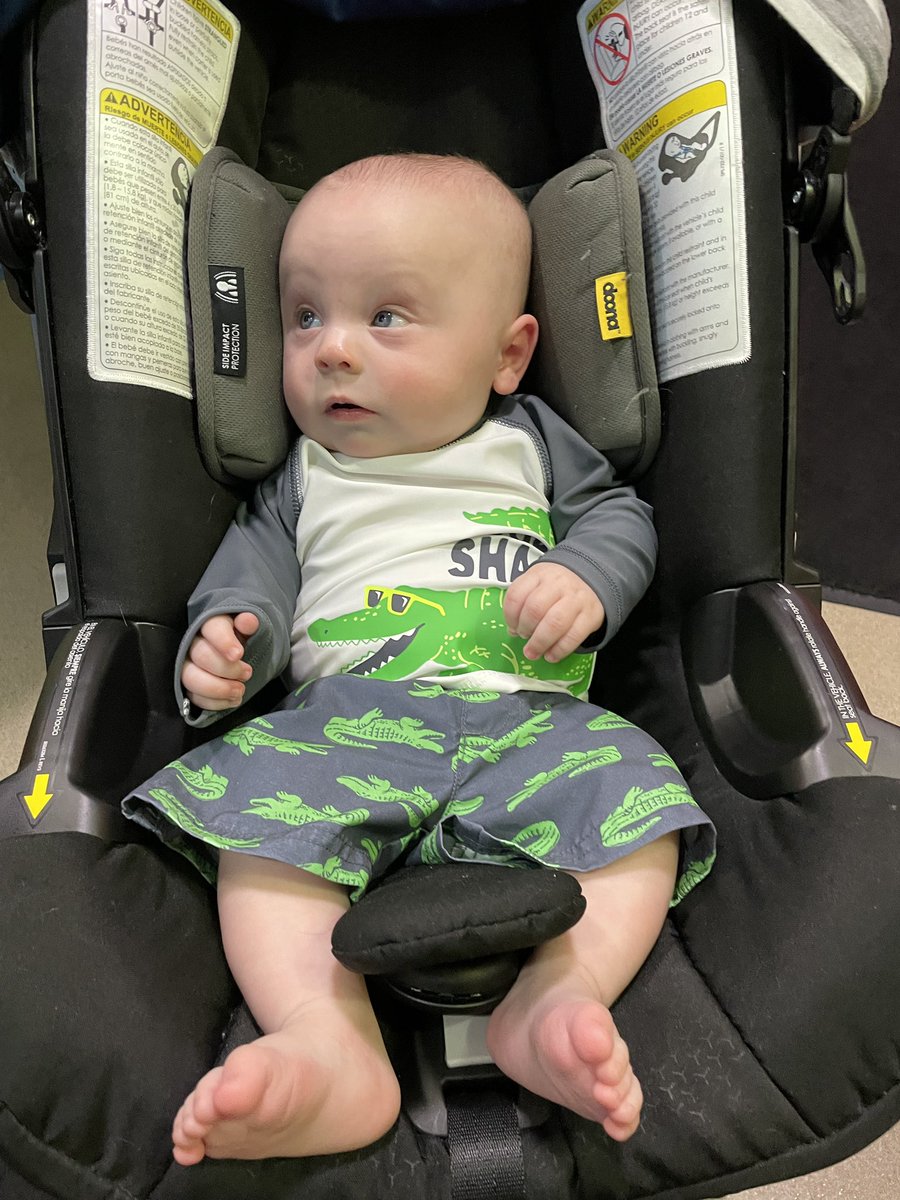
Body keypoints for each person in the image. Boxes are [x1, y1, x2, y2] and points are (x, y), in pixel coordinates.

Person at [123, 152, 715, 1165]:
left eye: (386, 317)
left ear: (507, 354)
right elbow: (248, 589)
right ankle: (325, 1038)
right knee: (253, 827)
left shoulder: (532, 443)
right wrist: (227, 649)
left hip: (534, 725)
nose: (332, 350)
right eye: (305, 316)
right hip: (342, 730)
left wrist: (585, 576)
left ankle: (559, 994)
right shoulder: (302, 479)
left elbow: (621, 520)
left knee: (643, 802)